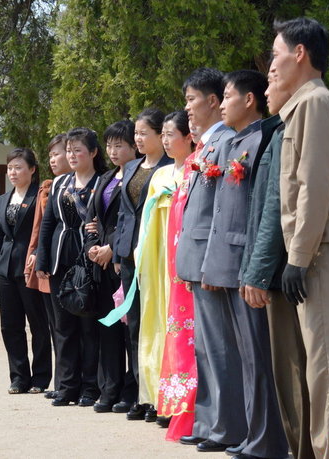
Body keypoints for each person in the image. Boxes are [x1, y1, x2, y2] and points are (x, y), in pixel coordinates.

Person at [270, 17, 329, 457]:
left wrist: (298, 257)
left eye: (276, 53)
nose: (273, 63)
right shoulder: (313, 105)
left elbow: (313, 186)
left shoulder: (313, 104)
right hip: (324, 255)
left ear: (300, 53)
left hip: (323, 257)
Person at [200, 69, 288, 458]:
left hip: (247, 262)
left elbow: (261, 212)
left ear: (248, 100)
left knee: (257, 358)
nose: (222, 104)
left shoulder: (264, 138)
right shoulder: (236, 141)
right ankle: (249, 434)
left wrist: (256, 266)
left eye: (229, 96)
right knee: (240, 356)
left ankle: (266, 440)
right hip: (227, 260)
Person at [239, 73, 314, 459]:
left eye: (273, 79)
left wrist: (256, 270)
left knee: (295, 372)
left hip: (289, 269)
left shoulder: (310, 113)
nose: (267, 89)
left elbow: (279, 207)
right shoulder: (281, 128)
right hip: (283, 266)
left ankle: (307, 450)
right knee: (291, 373)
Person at [175, 68, 243, 450]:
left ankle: (225, 426)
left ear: (213, 101)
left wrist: (211, 262)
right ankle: (207, 421)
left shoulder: (227, 143)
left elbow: (224, 210)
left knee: (219, 347)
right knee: (205, 346)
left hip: (211, 261)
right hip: (197, 258)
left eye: (191, 99)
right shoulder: (205, 146)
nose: (187, 108)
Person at [108, 108, 173, 422]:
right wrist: (120, 253)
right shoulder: (132, 166)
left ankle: (162, 396)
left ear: (162, 135)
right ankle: (140, 394)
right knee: (134, 327)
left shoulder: (170, 167)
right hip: (129, 255)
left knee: (158, 324)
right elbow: (124, 214)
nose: (138, 138)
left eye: (144, 133)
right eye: (136, 133)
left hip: (157, 255)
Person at [36, 127, 107, 407]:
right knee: (63, 326)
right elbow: (48, 223)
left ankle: (90, 387)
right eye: (69, 150)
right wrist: (42, 259)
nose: (72, 155)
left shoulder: (104, 182)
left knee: (89, 326)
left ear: (93, 152)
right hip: (59, 259)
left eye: (78, 150)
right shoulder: (59, 184)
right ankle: (67, 386)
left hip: (87, 260)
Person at [147, 111, 199, 437]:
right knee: (170, 331)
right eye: (162, 134)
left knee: (188, 336)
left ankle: (190, 407)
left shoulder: (196, 167)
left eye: (170, 134)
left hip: (187, 264)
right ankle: (172, 403)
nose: (165, 140)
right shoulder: (162, 175)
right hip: (161, 261)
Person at [83, 120, 140, 413]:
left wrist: (112, 249)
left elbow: (134, 222)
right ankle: (110, 388)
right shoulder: (105, 179)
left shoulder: (140, 177)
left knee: (129, 330)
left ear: (134, 147)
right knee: (107, 329)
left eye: (120, 145)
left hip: (124, 261)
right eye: (110, 145)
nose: (113, 150)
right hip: (101, 265)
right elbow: (92, 220)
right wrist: (93, 245)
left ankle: (131, 390)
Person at [0, 148, 52, 395]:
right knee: (10, 326)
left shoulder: (41, 196)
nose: (13, 173)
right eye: (10, 168)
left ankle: (41, 377)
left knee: (38, 323)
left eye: (18, 167)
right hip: (5, 270)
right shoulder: (4, 199)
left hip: (30, 269)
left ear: (32, 170)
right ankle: (18, 377)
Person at [24, 134, 71, 400]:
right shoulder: (48, 187)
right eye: (50, 155)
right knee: (54, 325)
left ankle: (70, 382)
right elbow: (39, 228)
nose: (53, 159)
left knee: (68, 326)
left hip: (65, 260)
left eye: (58, 154)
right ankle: (61, 381)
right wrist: (34, 253)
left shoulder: (73, 185)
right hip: (46, 262)